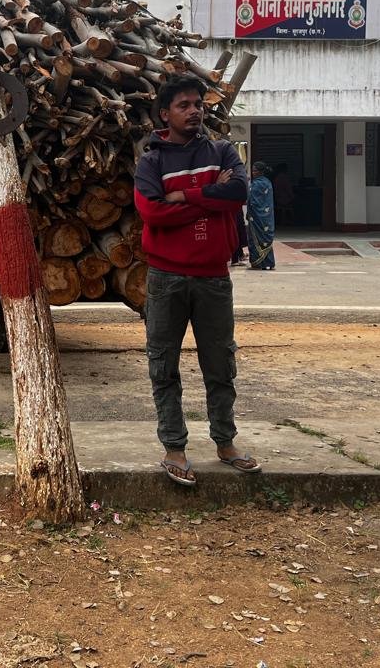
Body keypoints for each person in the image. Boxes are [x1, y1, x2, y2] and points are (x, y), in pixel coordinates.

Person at [134, 74, 261, 487]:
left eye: (198, 105)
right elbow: (152, 214)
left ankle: (225, 443)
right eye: (184, 105)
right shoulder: (151, 161)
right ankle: (174, 447)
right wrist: (210, 197)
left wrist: (184, 196)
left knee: (220, 364)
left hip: (213, 278)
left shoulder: (222, 150)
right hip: (166, 278)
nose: (194, 111)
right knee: (163, 366)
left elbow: (240, 191)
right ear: (165, 113)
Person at [247, 161, 276, 270]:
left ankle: (258, 262)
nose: (253, 173)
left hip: (257, 217)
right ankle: (268, 262)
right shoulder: (268, 182)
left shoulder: (257, 184)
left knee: (257, 239)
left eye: (255, 171)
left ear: (260, 172)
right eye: (253, 170)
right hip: (266, 217)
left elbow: (253, 201)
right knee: (264, 238)